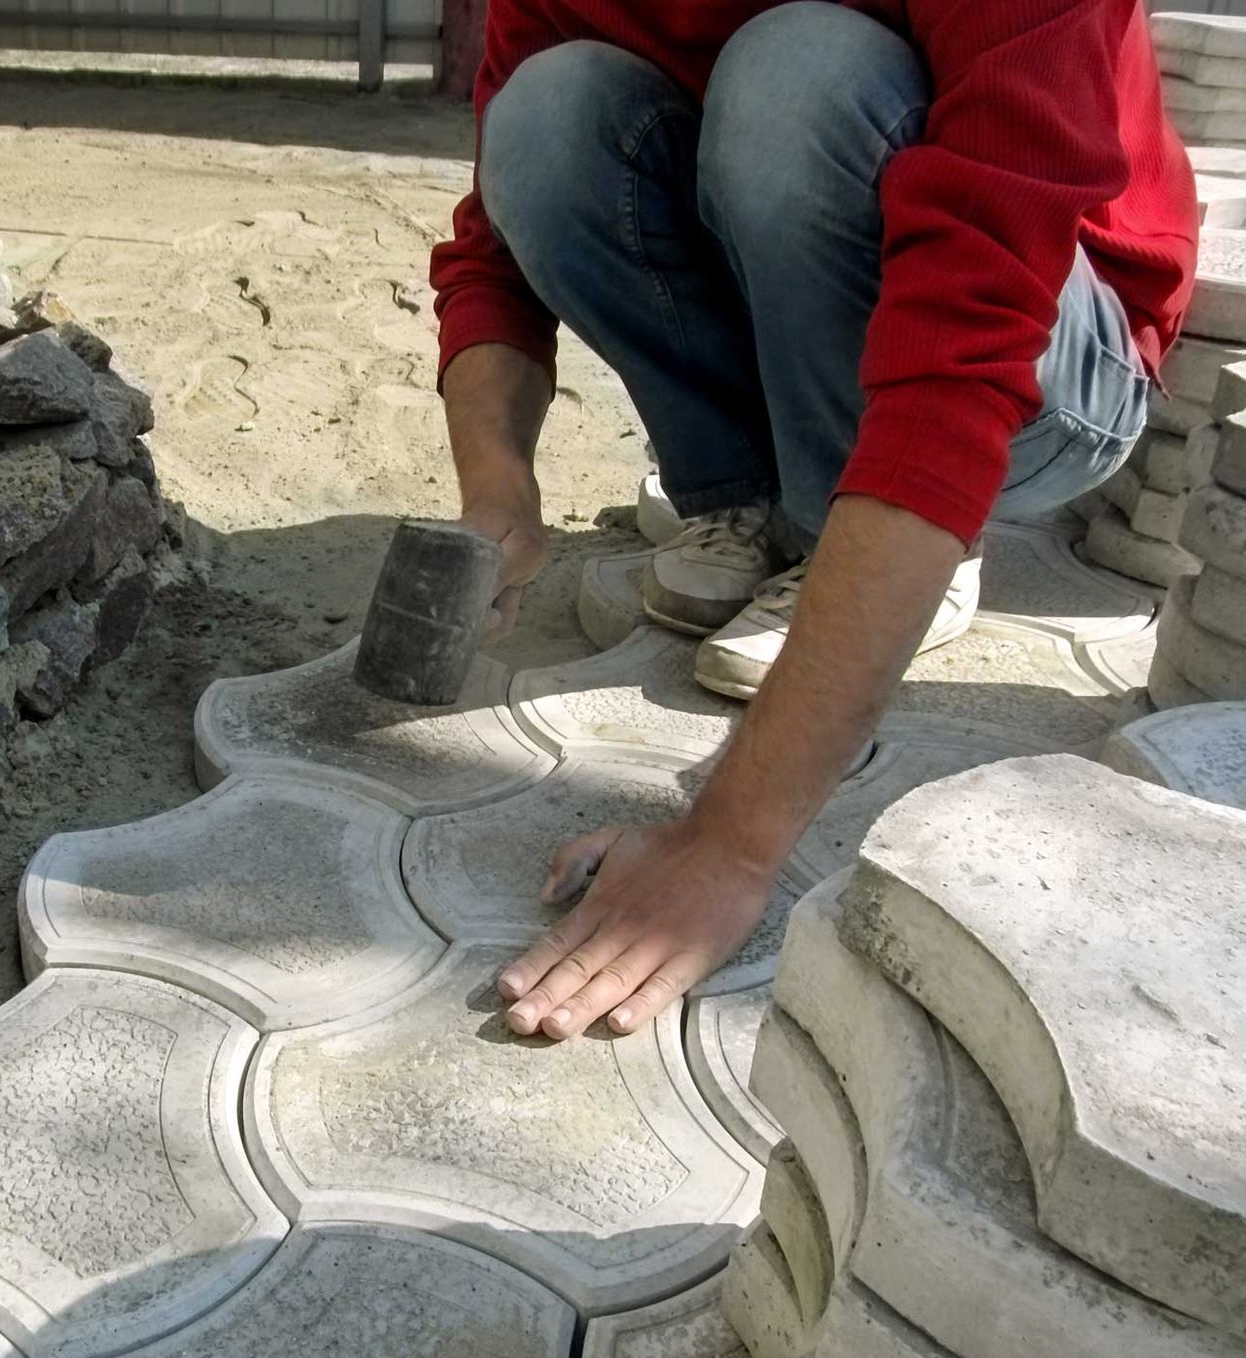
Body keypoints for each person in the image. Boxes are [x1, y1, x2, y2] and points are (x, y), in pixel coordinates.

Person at [431, 0, 1198, 1041]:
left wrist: (731, 845)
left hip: (1056, 364)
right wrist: (498, 494)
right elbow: (496, 252)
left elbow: (967, 350)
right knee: (548, 119)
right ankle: (758, 493)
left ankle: (884, 536)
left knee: (799, 74)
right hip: (806, 299)